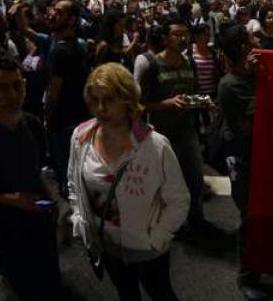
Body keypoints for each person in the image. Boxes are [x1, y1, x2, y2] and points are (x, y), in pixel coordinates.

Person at [68, 63, 189, 301]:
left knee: (162, 293)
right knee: (127, 294)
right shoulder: (80, 137)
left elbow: (179, 200)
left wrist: (156, 238)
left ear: (127, 100)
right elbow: (73, 183)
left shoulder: (155, 145)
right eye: (94, 100)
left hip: (147, 250)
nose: (100, 108)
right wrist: (80, 222)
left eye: (109, 99)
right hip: (107, 246)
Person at [0, 54, 62, 300]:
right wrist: (14, 200)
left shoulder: (33, 125)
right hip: (6, 227)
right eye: (3, 88)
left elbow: (35, 171)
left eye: (17, 85)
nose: (13, 94)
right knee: (24, 285)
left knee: (51, 281)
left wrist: (52, 204)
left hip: (39, 220)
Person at [139, 18, 208, 231]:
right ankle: (168, 225)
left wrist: (202, 103)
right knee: (166, 185)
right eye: (177, 34)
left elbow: (194, 92)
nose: (183, 39)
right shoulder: (152, 66)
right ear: (166, 38)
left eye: (185, 34)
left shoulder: (190, 63)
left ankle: (197, 220)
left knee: (195, 181)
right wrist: (166, 104)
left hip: (188, 133)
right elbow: (141, 105)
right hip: (163, 137)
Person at [216, 25, 265, 300]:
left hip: (268, 157)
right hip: (246, 162)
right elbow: (246, 128)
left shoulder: (260, 73)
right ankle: (248, 276)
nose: (257, 42)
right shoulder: (229, 85)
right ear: (243, 50)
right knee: (251, 219)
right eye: (251, 40)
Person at [45, 0, 92, 199]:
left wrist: (47, 118)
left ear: (72, 19)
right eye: (53, 10)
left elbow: (53, 93)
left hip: (64, 123)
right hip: (81, 120)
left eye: (60, 12)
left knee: (69, 180)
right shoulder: (79, 47)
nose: (53, 14)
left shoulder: (60, 51)